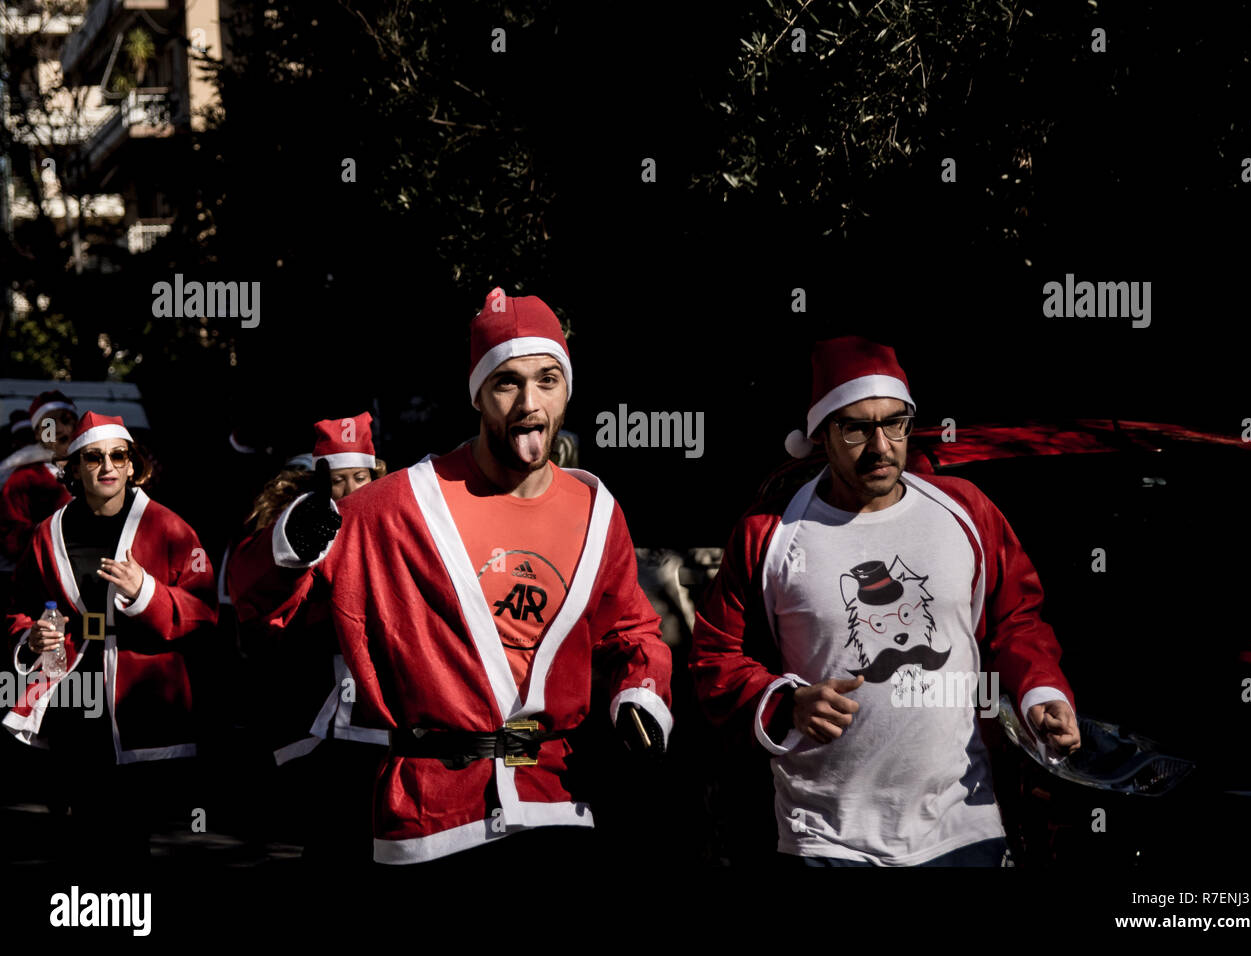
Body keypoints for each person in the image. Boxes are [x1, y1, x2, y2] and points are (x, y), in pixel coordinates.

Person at [230, 289, 672, 867]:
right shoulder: (395, 507)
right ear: (479, 394)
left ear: (567, 388)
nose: (529, 402)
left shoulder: (597, 510)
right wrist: (287, 546)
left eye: (547, 379)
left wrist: (640, 692)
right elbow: (262, 606)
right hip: (432, 820)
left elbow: (630, 628)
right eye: (507, 382)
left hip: (557, 804)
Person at [690, 337, 1080, 866]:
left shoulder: (965, 510)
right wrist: (785, 702)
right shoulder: (770, 534)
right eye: (855, 427)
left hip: (962, 824)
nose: (880, 446)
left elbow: (1017, 619)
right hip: (824, 835)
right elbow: (715, 657)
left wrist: (1041, 693)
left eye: (894, 423)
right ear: (821, 436)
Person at [4, 412, 217, 860]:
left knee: (129, 832)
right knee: (78, 827)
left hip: (140, 700)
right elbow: (18, 606)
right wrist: (33, 637)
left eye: (118, 457)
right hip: (73, 692)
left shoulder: (171, 529)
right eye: (94, 457)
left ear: (132, 465)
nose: (107, 467)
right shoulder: (48, 534)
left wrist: (148, 595)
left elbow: (204, 614)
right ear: (75, 467)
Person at [230, 413, 390, 860]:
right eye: (339, 480)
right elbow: (259, 592)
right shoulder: (300, 526)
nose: (352, 489)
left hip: (385, 712)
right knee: (330, 835)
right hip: (318, 707)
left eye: (362, 476)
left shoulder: (398, 523)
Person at [0, 391, 78, 568]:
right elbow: (10, 536)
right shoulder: (24, 478)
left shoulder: (96, 468)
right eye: (49, 424)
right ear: (37, 433)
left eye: (66, 421)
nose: (58, 429)